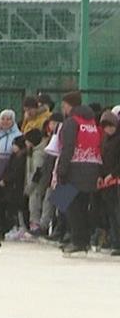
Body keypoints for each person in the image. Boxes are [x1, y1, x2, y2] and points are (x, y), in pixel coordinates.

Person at [55, 91, 101, 256]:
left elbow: (68, 147)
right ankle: (83, 240)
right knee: (82, 205)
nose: (63, 108)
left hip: (74, 168)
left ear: (69, 105)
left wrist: (61, 169)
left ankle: (77, 241)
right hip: (92, 167)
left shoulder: (71, 122)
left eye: (64, 105)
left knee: (68, 204)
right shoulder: (91, 122)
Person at [98, 110, 120, 256]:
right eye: (105, 127)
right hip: (107, 181)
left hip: (116, 179)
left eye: (110, 126)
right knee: (111, 212)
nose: (108, 129)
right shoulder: (105, 139)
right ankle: (115, 241)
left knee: (117, 212)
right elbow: (102, 159)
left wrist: (113, 174)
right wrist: (101, 175)